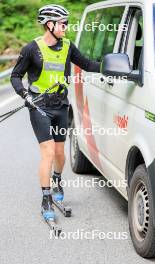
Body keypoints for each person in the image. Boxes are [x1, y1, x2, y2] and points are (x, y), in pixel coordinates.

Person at [10, 4, 100, 220]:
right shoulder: (31, 49)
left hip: (61, 107)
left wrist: (111, 67)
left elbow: (87, 64)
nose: (66, 27)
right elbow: (15, 76)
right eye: (63, 23)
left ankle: (57, 180)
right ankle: (46, 197)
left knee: (60, 154)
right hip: (39, 107)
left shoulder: (68, 46)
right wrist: (25, 95)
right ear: (49, 25)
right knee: (48, 152)